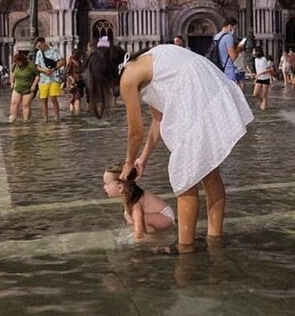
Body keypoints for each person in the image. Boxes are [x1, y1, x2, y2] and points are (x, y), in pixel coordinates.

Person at [85, 43, 253, 253]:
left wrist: (129, 162)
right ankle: (214, 238)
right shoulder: (146, 61)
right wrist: (142, 160)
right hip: (210, 90)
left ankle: (185, 247)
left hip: (197, 98)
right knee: (209, 174)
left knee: (184, 180)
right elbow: (158, 120)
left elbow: (135, 132)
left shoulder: (128, 76)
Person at [103, 162, 175, 240]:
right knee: (128, 215)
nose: (104, 187)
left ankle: (154, 240)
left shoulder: (135, 203)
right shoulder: (130, 196)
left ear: (120, 188)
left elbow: (138, 222)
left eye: (106, 184)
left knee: (138, 221)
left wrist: (137, 239)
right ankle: (148, 235)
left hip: (166, 217)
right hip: (158, 217)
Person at [33, 37, 65, 121]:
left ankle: (57, 117)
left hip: (54, 78)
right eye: (37, 47)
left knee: (53, 98)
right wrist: (44, 70)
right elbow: (37, 66)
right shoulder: (39, 53)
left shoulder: (54, 50)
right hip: (43, 79)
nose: (39, 48)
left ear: (44, 43)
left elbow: (62, 61)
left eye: (39, 46)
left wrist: (53, 69)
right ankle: (45, 118)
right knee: (43, 99)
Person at [9, 52, 39, 123]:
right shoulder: (15, 65)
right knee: (14, 103)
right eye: (16, 62)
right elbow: (12, 73)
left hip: (28, 89)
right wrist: (12, 82)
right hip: (17, 88)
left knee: (25, 105)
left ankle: (26, 121)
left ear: (22, 61)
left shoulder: (31, 65)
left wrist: (34, 85)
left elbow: (37, 76)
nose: (17, 64)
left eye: (18, 62)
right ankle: (12, 119)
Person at [212, 18, 244, 83]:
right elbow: (233, 57)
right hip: (228, 69)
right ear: (230, 26)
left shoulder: (217, 36)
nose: (234, 30)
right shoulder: (228, 37)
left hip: (219, 68)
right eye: (234, 28)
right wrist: (239, 47)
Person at [252, 46, 274, 111]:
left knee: (264, 95)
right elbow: (257, 70)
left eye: (254, 51)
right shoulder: (255, 59)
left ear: (257, 52)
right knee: (255, 94)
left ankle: (264, 104)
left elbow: (268, 69)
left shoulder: (263, 59)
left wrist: (260, 74)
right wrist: (256, 76)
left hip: (265, 79)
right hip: (259, 78)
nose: (253, 52)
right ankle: (262, 101)